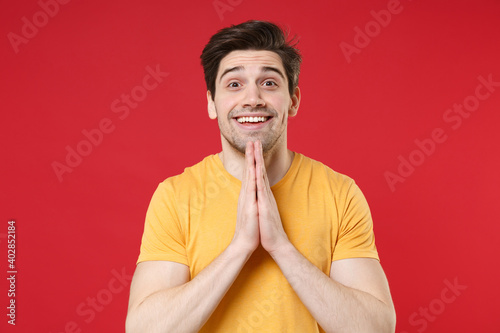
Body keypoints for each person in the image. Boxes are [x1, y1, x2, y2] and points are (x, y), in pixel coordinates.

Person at [126, 20, 396, 333]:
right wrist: (239, 246)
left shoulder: (340, 193)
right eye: (234, 84)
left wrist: (280, 246)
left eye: (268, 83)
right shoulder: (175, 196)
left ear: (293, 101)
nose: (252, 99)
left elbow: (376, 329)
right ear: (212, 103)